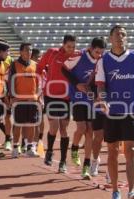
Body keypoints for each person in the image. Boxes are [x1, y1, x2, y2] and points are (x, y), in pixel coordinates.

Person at [95, 25, 134, 199]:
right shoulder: (103, 60)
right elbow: (100, 85)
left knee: (130, 150)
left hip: (131, 109)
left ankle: (132, 190)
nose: (120, 37)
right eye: (117, 34)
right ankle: (115, 189)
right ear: (110, 38)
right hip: (112, 111)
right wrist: (102, 101)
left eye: (123, 34)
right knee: (113, 151)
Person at [62, 37, 106, 179]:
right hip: (77, 97)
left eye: (101, 53)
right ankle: (74, 147)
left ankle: (86, 167)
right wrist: (76, 84)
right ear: (90, 48)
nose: (98, 55)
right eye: (97, 52)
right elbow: (64, 69)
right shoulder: (79, 55)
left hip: (91, 98)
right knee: (81, 128)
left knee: (90, 131)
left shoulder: (102, 60)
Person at [37, 35, 78, 173]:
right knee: (53, 126)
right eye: (68, 47)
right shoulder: (52, 53)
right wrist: (40, 85)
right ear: (63, 44)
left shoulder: (76, 56)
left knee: (64, 129)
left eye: (73, 47)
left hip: (66, 97)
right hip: (50, 94)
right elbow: (39, 67)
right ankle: (49, 152)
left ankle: (63, 161)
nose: (71, 49)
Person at [9, 43, 41, 158]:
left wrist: (38, 97)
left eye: (30, 50)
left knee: (31, 124)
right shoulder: (14, 65)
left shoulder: (36, 65)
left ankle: (29, 148)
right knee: (18, 124)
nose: (29, 52)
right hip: (19, 100)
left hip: (32, 100)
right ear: (21, 52)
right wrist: (12, 97)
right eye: (27, 50)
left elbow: (39, 83)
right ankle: (16, 147)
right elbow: (10, 82)